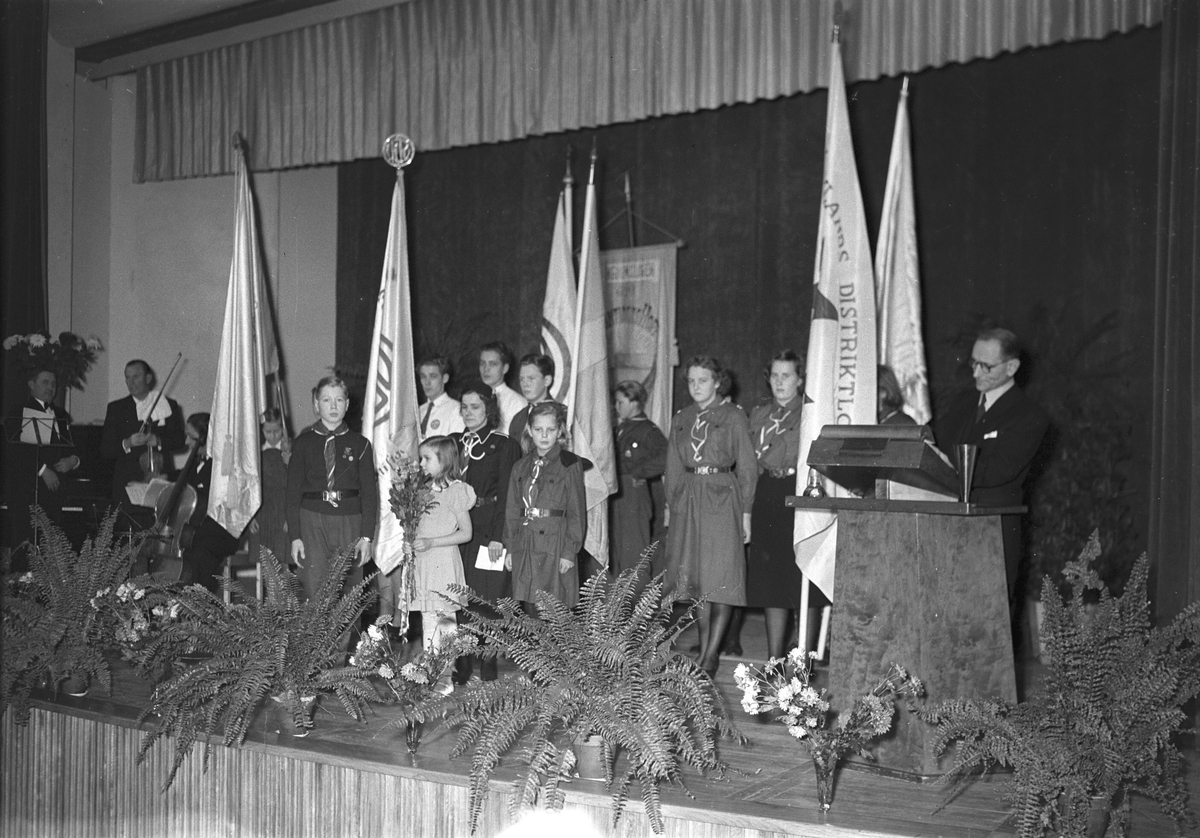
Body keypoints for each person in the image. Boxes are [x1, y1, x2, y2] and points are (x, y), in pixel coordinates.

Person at [933, 327, 1049, 600]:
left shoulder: (1029, 416)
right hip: (946, 527)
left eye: (986, 366)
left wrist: (944, 464)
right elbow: (936, 443)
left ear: (1012, 367)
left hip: (991, 532)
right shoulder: (963, 403)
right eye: (973, 363)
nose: (976, 373)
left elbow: (998, 470)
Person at [663, 356, 757, 676]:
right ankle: (704, 649)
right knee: (699, 580)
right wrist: (672, 506)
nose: (696, 387)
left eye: (702, 380)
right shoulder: (682, 417)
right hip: (689, 500)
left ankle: (712, 654)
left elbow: (747, 467)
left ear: (718, 382)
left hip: (722, 497)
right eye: (691, 381)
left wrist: (746, 513)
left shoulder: (733, 416)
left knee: (722, 577)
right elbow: (673, 466)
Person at [451, 382, 521, 682]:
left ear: (488, 409)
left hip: (488, 526)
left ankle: (488, 657)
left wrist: (498, 537)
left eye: (475, 407)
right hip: (457, 528)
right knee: (459, 593)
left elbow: (508, 495)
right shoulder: (454, 443)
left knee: (489, 595)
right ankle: (464, 659)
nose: (468, 412)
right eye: (464, 407)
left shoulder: (503, 445)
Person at [744, 351, 811, 661]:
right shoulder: (759, 415)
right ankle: (773, 660)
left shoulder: (810, 413)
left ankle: (802, 662)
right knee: (771, 580)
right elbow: (750, 463)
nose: (780, 382)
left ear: (800, 379)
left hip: (798, 492)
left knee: (800, 579)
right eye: (774, 375)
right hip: (767, 492)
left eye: (787, 375)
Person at [286, 375, 377, 601]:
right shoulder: (303, 443)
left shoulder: (361, 444)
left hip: (350, 520)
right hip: (313, 519)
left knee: (350, 592)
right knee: (313, 587)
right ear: (316, 405)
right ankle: (315, 627)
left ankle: (348, 628)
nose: (333, 406)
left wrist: (367, 537)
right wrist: (295, 536)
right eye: (326, 400)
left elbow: (369, 493)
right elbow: (292, 493)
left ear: (347, 404)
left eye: (339, 400)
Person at [504, 402, 587, 610]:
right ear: (530, 430)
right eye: (538, 429)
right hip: (525, 542)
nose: (544, 435)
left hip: (554, 543)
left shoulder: (569, 464)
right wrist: (510, 548)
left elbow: (576, 512)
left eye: (550, 430)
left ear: (559, 431)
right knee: (528, 605)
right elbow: (512, 511)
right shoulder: (520, 466)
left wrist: (569, 552)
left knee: (554, 607)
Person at [410, 435, 475, 694]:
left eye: (427, 458)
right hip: (425, 563)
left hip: (443, 562)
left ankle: (446, 679)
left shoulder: (456, 491)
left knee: (445, 621)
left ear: (444, 460)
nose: (421, 463)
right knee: (428, 620)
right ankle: (431, 675)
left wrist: (432, 542)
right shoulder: (422, 490)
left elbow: (466, 533)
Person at [4, 367, 80, 548]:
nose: (51, 388)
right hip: (26, 493)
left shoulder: (61, 415)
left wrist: (73, 460)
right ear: (31, 384)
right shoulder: (18, 411)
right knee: (26, 548)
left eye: (53, 384)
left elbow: (74, 448)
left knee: (52, 550)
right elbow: (14, 451)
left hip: (54, 495)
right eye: (45, 382)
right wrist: (43, 470)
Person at [99, 359, 186, 507]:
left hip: (161, 478)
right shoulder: (116, 408)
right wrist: (127, 443)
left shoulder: (168, 405)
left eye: (136, 377)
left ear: (148, 378)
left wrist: (159, 441)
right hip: (127, 483)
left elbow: (180, 441)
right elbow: (105, 450)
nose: (130, 382)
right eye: (127, 377)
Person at [609, 380, 667, 575]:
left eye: (620, 402)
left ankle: (637, 594)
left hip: (634, 493)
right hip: (618, 492)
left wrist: (638, 472)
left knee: (634, 551)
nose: (616, 407)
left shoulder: (648, 430)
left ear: (634, 402)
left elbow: (665, 457)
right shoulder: (621, 428)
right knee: (617, 549)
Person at [179, 413, 240, 593]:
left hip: (220, 531)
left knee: (199, 552)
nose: (187, 442)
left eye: (191, 437)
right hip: (198, 530)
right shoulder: (194, 461)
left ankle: (202, 601)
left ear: (206, 438)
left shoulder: (223, 463)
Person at [247, 408, 291, 567]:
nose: (273, 436)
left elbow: (296, 486)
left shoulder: (291, 452)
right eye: (268, 432)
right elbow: (249, 486)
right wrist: (250, 516)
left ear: (283, 429)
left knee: (283, 558)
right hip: (261, 511)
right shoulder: (255, 453)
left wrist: (291, 516)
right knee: (263, 560)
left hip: (283, 510)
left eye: (277, 431)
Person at [478, 342, 527, 432]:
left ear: (505, 368)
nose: (486, 369)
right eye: (482, 363)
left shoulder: (517, 403)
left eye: (492, 364)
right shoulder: (473, 398)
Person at [507, 353, 556, 442]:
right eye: (522, 379)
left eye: (530, 378)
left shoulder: (559, 415)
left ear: (547, 380)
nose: (525, 384)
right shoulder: (518, 418)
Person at [417, 355, 465, 441]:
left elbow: (455, 446)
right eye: (423, 376)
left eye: (433, 376)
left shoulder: (456, 410)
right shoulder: (419, 411)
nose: (427, 382)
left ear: (445, 378)